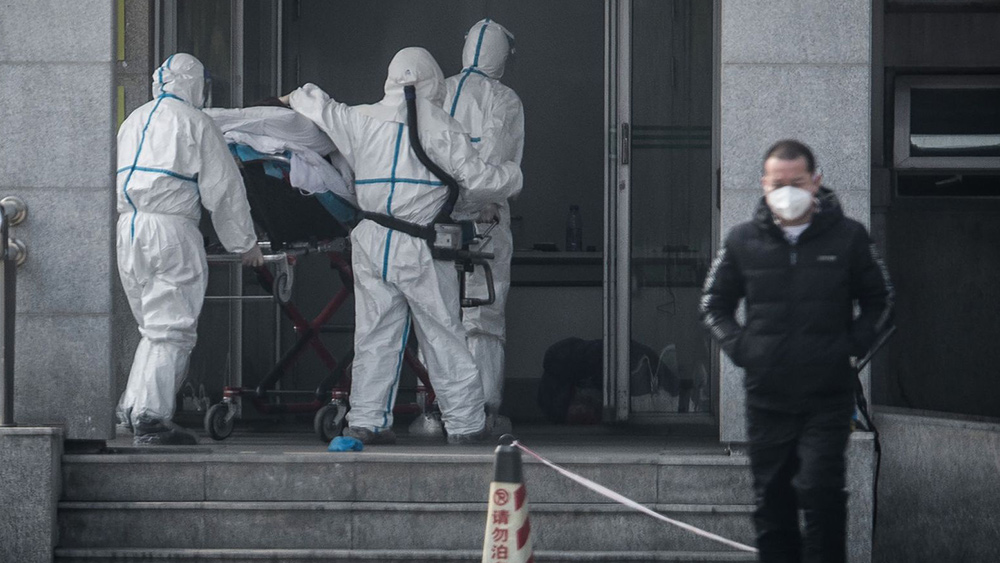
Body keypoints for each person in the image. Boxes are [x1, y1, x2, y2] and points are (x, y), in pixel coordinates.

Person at [280, 47, 523, 445]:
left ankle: (367, 421)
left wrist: (292, 97)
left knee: (374, 336)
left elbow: (319, 105)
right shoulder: (443, 128)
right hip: (419, 245)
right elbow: (479, 182)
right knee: (443, 335)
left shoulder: (360, 117)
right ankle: (465, 425)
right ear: (432, 80)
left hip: (372, 241)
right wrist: (512, 176)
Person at [700, 140, 893, 561]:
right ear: (764, 185)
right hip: (767, 397)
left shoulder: (848, 237)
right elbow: (714, 305)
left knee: (821, 491)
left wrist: (850, 347)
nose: (788, 192)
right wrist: (743, 349)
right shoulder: (743, 240)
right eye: (778, 183)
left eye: (797, 182)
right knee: (772, 502)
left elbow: (881, 301)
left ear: (816, 181)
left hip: (827, 396)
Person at [116, 53, 263, 445]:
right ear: (196, 84)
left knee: (153, 326)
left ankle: (131, 408)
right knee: (172, 327)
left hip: (128, 230)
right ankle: (151, 417)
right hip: (171, 231)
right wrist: (245, 244)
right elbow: (224, 189)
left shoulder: (133, 121)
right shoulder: (196, 122)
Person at [442, 18, 525, 436]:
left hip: (435, 218)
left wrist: (447, 206)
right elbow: (493, 158)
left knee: (438, 311)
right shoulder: (503, 99)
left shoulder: (439, 92)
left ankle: (439, 408)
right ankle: (483, 409)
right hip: (486, 220)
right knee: (482, 313)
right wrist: (480, 205)